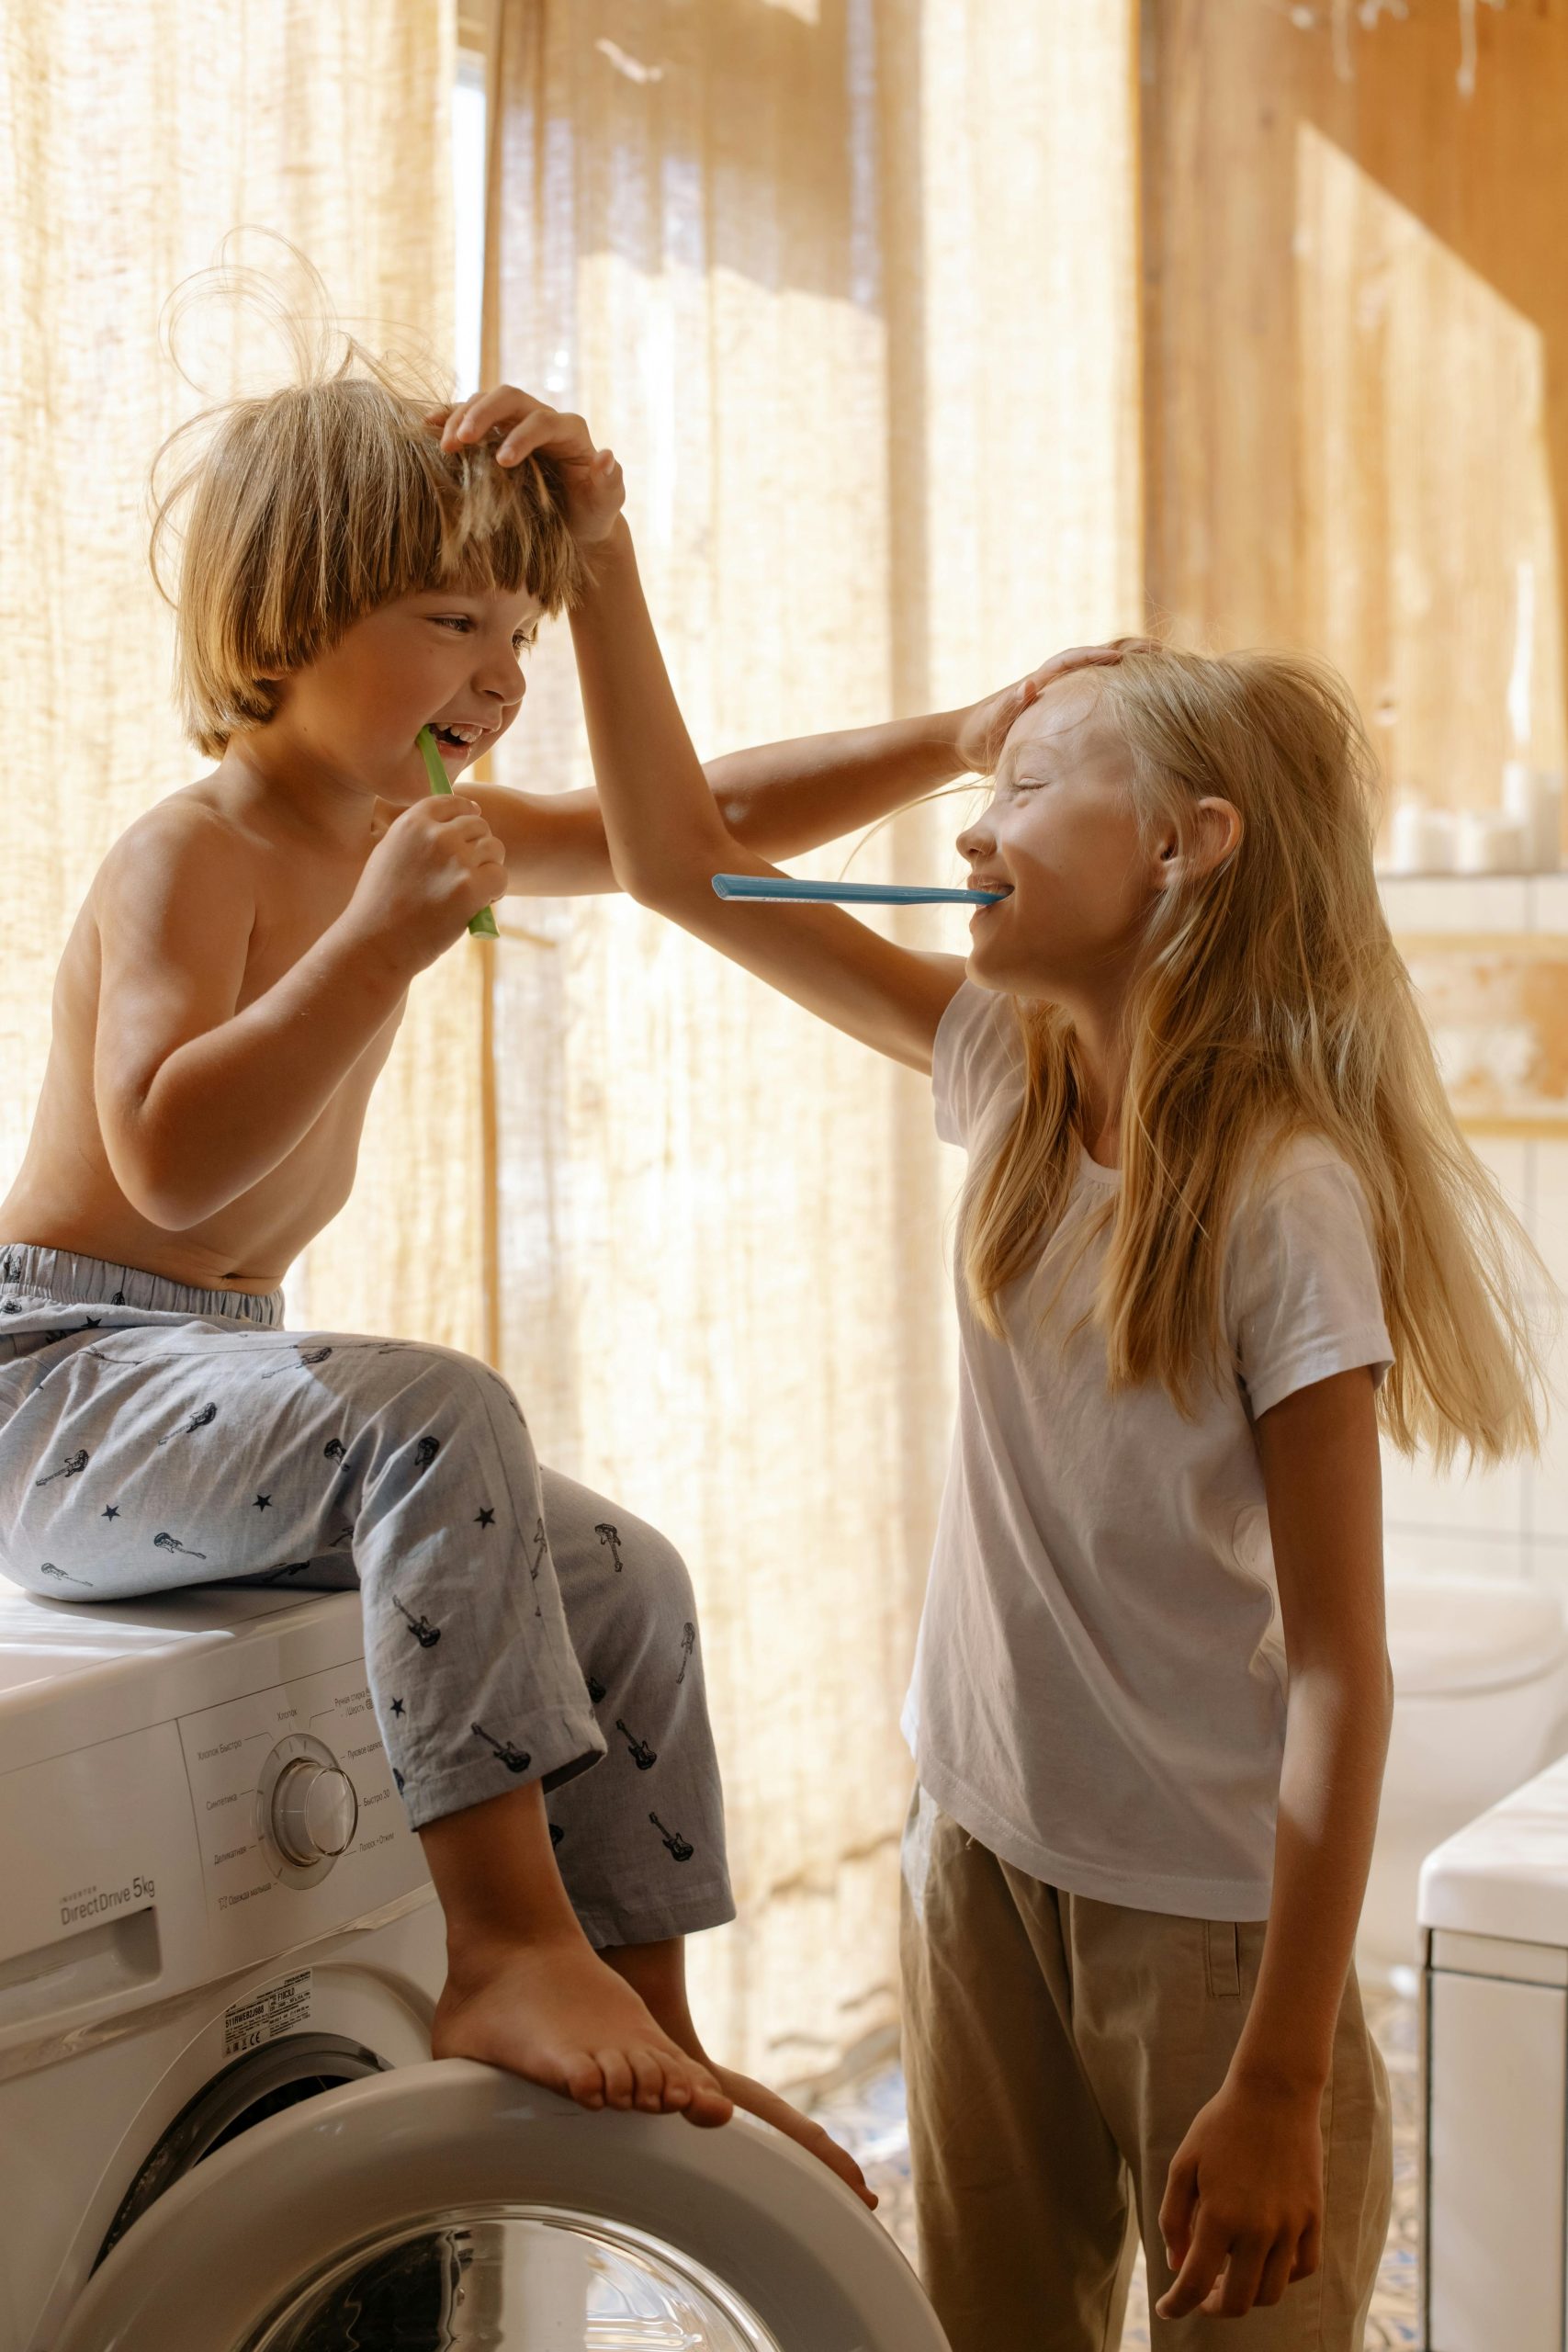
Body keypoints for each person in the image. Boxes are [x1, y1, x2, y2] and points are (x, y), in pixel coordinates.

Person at [475, 385, 1551, 2344]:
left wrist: (1286, 2078)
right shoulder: (1008, 1069)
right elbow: (669, 861)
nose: (970, 821)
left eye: (1031, 780)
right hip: (973, 1858)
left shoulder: (1279, 1200)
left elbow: (1338, 1665)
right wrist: (604, 562)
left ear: (1182, 850)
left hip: (1213, 1939)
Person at [0, 355, 1046, 2202]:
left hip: (216, 1374)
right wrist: (376, 953)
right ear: (292, 615)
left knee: (620, 1578)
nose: (501, 667)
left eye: (521, 624)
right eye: (452, 619)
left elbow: (692, 834)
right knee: (442, 1409)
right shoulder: (200, 847)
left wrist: (953, 732)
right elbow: (161, 1154)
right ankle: (502, 1945)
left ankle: (655, 2016)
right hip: (66, 1378)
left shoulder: (403, 827)